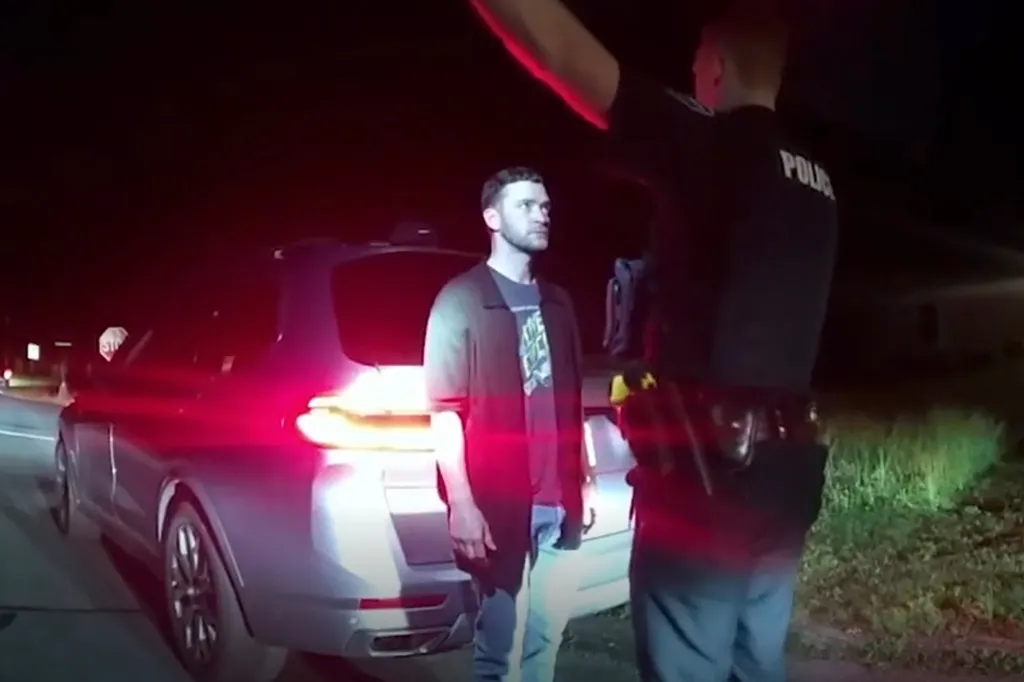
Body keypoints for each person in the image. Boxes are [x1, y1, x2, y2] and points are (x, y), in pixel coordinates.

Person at [463, 2, 839, 681]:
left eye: (697, 57)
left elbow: (561, 54)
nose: (692, 69)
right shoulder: (815, 178)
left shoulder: (712, 144)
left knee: (688, 664)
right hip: (785, 481)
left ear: (716, 68)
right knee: (756, 665)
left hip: (708, 485)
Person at [424, 166, 596, 682]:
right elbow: (445, 412)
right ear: (492, 216)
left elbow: (572, 404)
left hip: (557, 501)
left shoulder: (559, 302)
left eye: (545, 206)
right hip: (498, 508)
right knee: (499, 650)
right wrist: (462, 504)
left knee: (546, 641)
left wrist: (583, 482)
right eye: (526, 205)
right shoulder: (463, 300)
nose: (542, 215)